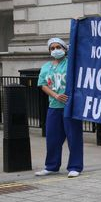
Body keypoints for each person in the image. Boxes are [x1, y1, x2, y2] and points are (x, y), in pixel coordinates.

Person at [35, 37, 84, 178]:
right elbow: (43, 84)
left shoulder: (71, 64)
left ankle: (75, 167)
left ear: (65, 49)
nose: (55, 50)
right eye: (52, 48)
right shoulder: (46, 67)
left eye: (58, 47)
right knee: (52, 138)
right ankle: (51, 166)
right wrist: (55, 95)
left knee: (74, 137)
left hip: (71, 107)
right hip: (54, 106)